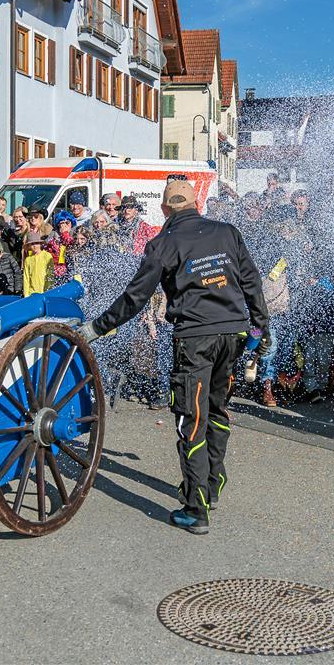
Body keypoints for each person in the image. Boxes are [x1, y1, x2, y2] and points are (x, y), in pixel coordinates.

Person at [77, 181, 270, 535]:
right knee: (217, 411)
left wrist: (96, 328)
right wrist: (261, 330)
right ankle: (212, 483)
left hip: (195, 337)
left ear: (165, 210)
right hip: (233, 334)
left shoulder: (163, 243)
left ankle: (196, 509)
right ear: (197, 203)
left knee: (190, 418)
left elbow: (135, 298)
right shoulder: (228, 232)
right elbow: (252, 281)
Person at [21, 231, 54, 296]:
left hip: (45, 291)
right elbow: (26, 278)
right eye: (32, 244)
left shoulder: (47, 256)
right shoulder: (28, 259)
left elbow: (50, 274)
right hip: (32, 293)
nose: (34, 246)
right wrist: (26, 295)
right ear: (29, 246)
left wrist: (48, 290)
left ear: (40, 244)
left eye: (36, 243)